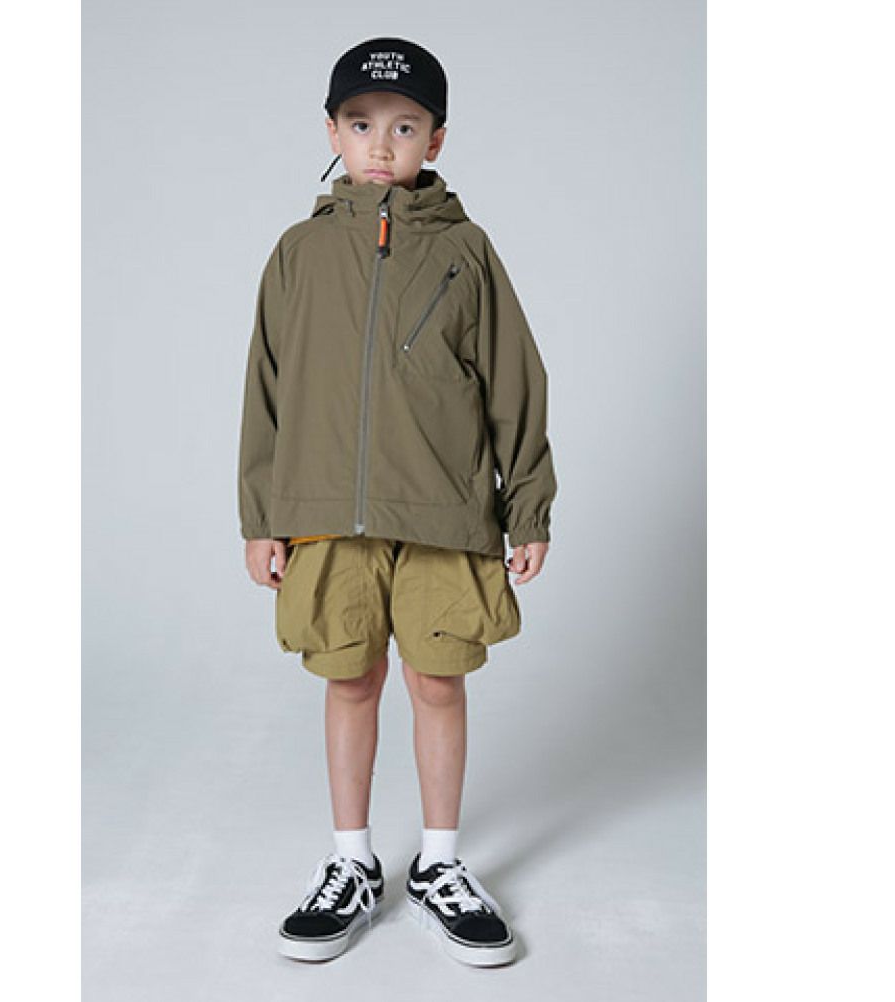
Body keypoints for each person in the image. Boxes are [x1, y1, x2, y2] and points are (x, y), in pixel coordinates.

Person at [237, 36, 557, 967]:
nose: (382, 144)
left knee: (437, 681)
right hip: (324, 515)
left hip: (443, 512)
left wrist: (528, 504)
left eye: (406, 127)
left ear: (436, 140)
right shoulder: (298, 253)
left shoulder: (466, 251)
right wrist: (261, 516)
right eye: (362, 124)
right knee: (349, 679)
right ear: (332, 132)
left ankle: (440, 865)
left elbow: (515, 383)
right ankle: (351, 862)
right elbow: (266, 387)